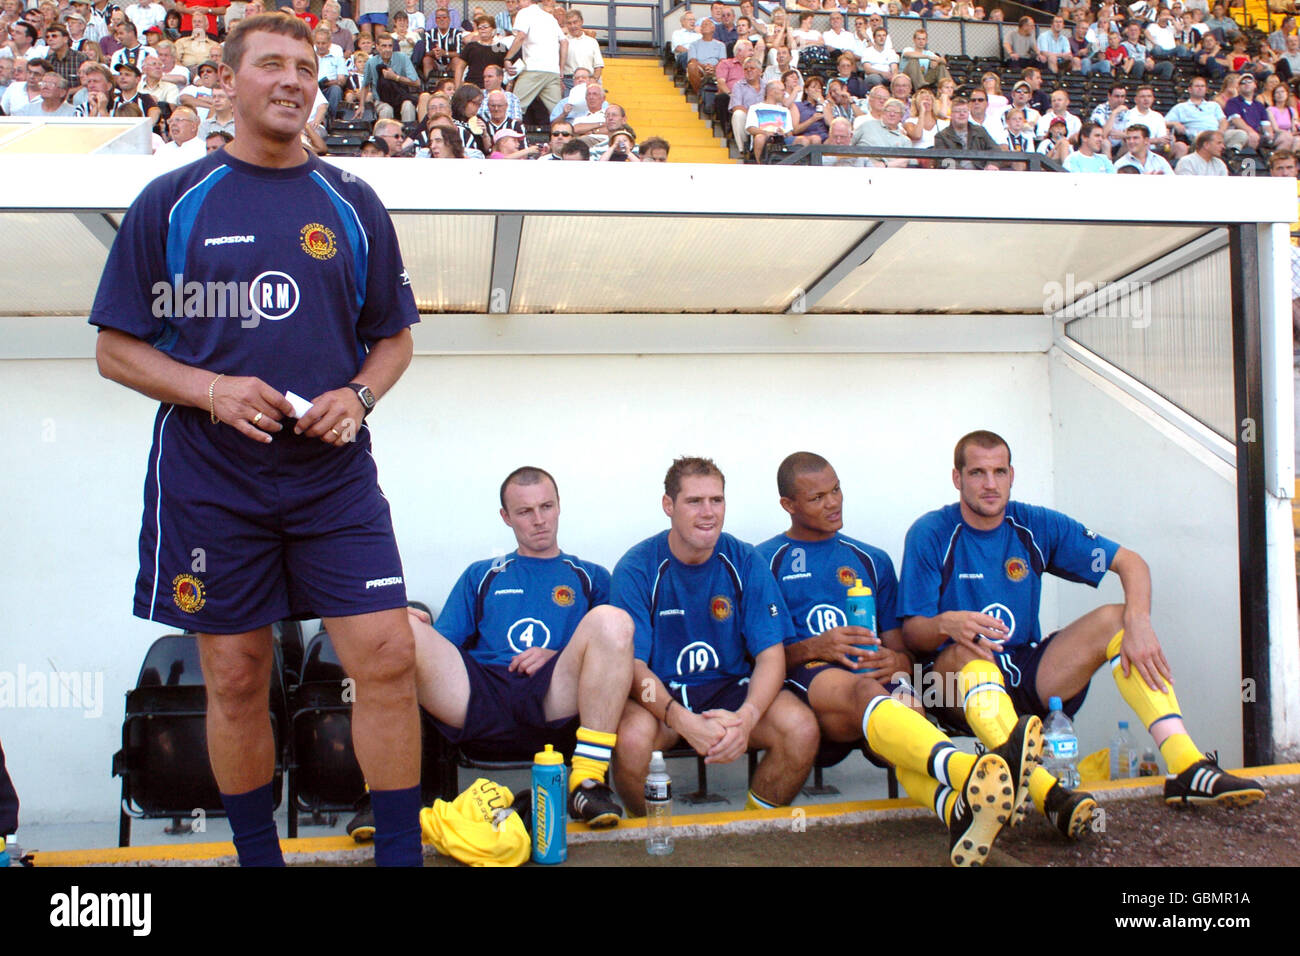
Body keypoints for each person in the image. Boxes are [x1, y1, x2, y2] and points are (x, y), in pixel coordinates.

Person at [87, 12, 424, 867]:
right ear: (231, 80)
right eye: (271, 64)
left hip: (333, 478)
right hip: (211, 481)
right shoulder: (172, 202)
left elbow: (395, 337)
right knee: (235, 676)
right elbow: (115, 350)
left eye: (305, 67)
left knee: (386, 658)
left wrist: (358, 395)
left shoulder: (351, 202)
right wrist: (211, 390)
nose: (291, 80)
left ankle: (397, 856)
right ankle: (257, 859)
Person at [899, 431, 1265, 841]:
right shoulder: (931, 532)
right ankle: (1045, 793)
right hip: (951, 687)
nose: (990, 484)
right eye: (978, 472)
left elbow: (1131, 562)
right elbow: (912, 633)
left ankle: (1187, 766)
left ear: (1012, 474)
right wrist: (947, 623)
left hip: (1022, 672)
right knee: (968, 656)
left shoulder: (1034, 524)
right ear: (957, 478)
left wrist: (1139, 623)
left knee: (1118, 620)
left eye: (999, 471)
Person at [756, 453, 1033, 867]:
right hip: (812, 683)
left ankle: (955, 810)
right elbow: (759, 656)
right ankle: (965, 772)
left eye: (836, 491)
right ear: (788, 505)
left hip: (872, 681)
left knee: (909, 713)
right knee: (867, 692)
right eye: (817, 498)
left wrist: (897, 662)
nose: (833, 503)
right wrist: (819, 647)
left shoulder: (871, 559)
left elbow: (902, 650)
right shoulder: (764, 562)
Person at [352, 467, 635, 834]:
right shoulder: (482, 573)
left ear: (559, 507)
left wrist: (559, 654)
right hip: (480, 691)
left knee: (614, 621)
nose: (539, 520)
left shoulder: (589, 575)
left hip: (553, 691)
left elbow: (613, 651)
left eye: (546, 507)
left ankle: (587, 784)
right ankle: (385, 798)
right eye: (524, 512)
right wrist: (413, 629)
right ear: (505, 517)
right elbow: (445, 644)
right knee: (395, 627)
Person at [610, 457, 820, 817]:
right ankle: (651, 836)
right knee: (630, 741)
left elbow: (771, 656)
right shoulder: (637, 566)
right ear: (668, 505)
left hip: (729, 687)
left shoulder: (745, 560)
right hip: (661, 694)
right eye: (694, 501)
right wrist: (681, 719)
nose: (708, 512)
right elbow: (634, 668)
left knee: (800, 728)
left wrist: (749, 717)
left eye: (716, 500)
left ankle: (754, 826)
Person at [504, 0, 565, 117]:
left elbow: (521, 36)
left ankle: (511, 135)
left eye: (519, 1)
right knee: (557, 115)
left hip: (533, 69)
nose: (518, 4)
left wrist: (507, 58)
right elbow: (564, 42)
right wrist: (561, 68)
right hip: (553, 72)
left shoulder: (524, 13)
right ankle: (564, 134)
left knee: (513, 109)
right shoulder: (550, 18)